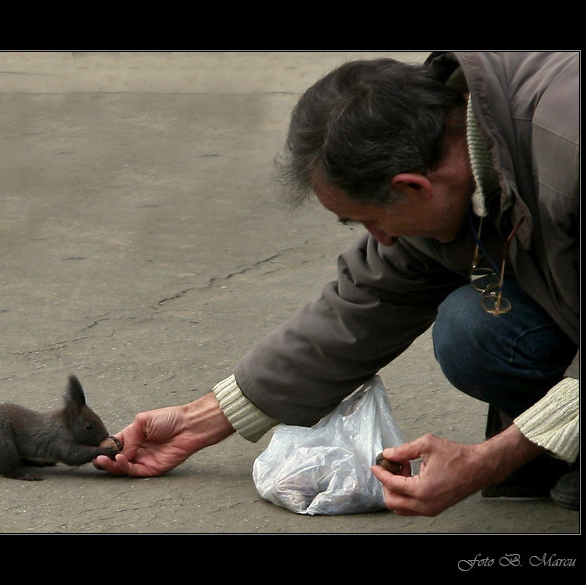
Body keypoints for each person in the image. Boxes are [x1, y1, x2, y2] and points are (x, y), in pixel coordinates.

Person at [95, 51, 579, 516]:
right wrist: (200, 419)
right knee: (474, 329)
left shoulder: (568, 151)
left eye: (368, 220)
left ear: (414, 186)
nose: (381, 239)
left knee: (474, 327)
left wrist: (494, 457)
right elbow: (370, 300)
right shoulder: (458, 153)